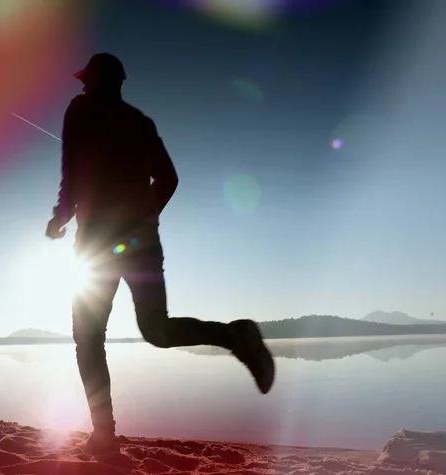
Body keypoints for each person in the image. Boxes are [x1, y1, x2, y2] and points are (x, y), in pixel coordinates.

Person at [45, 53, 275, 454]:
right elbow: (169, 178)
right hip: (143, 243)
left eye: (85, 79)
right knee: (157, 330)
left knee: (88, 337)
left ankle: (103, 435)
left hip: (98, 242)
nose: (81, 86)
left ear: (95, 81)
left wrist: (60, 217)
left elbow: (72, 170)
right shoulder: (142, 123)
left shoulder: (79, 109)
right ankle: (235, 336)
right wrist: (144, 219)